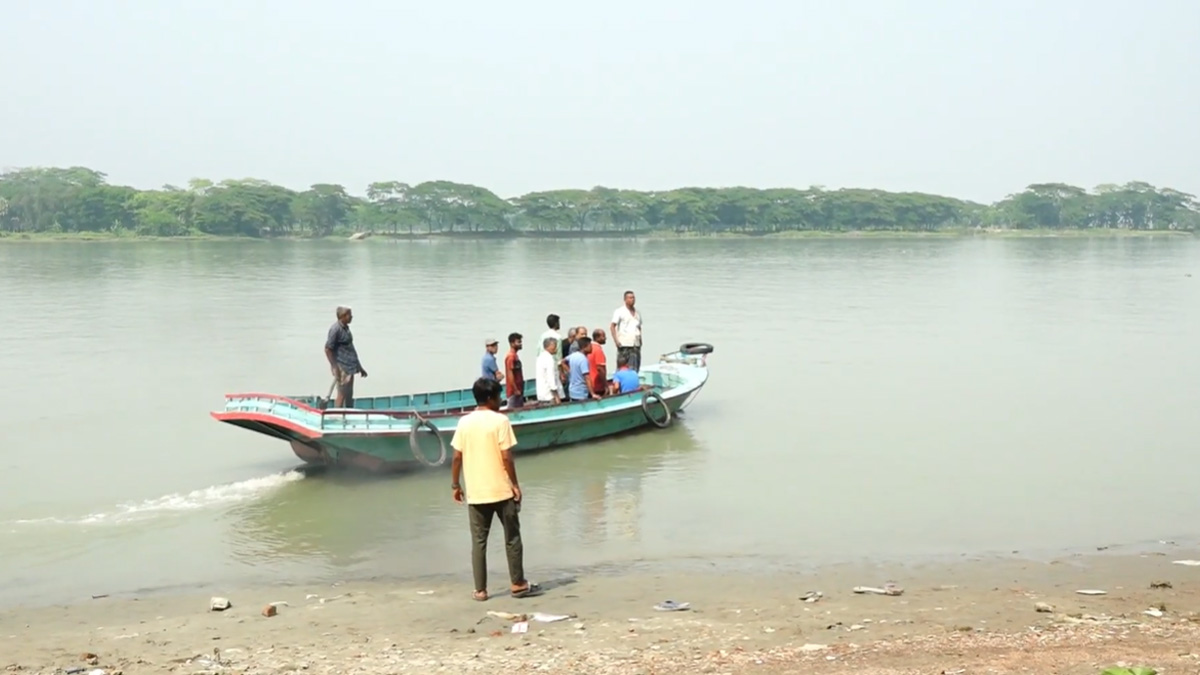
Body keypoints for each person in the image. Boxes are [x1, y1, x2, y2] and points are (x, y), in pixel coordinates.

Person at [449, 378, 541, 601]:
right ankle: (517, 583)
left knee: (479, 542)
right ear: (490, 398)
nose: (500, 400)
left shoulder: (464, 422)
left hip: (477, 492)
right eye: (499, 396)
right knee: (512, 537)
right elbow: (506, 457)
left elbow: (456, 457)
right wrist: (515, 484)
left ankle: (480, 590)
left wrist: (455, 484)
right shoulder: (500, 421)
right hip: (501, 489)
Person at [324, 306, 368, 407]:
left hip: (350, 367)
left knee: (349, 394)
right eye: (349, 315)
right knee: (342, 393)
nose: (351, 317)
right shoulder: (335, 329)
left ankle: (348, 414)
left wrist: (359, 367)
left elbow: (350, 349)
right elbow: (328, 349)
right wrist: (335, 367)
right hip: (342, 367)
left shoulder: (346, 328)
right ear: (343, 316)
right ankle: (338, 415)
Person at [610, 290, 643, 372]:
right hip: (624, 343)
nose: (633, 299)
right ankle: (620, 382)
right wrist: (616, 341)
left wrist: (641, 340)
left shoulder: (637, 313)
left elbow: (639, 327)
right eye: (630, 298)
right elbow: (612, 326)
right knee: (622, 366)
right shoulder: (620, 311)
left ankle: (633, 382)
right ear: (625, 299)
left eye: (633, 298)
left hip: (635, 344)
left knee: (635, 367)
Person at [566, 336, 601, 402]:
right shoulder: (583, 360)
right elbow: (587, 377)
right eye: (590, 346)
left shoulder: (574, 355)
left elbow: (562, 362)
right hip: (581, 392)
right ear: (585, 347)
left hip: (572, 391)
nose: (591, 348)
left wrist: (569, 371)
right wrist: (593, 394)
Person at [535, 336, 563, 405]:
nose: (556, 348)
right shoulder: (549, 359)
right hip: (549, 396)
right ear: (551, 346)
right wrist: (556, 396)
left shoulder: (540, 357)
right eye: (555, 346)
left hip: (541, 395)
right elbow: (551, 377)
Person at [504, 332, 525, 409]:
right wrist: (515, 389)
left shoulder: (515, 356)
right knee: (513, 410)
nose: (520, 344)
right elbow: (510, 374)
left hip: (519, 389)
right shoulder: (511, 357)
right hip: (514, 392)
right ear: (512, 343)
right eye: (518, 342)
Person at [588, 328, 608, 397]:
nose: (605, 338)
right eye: (603, 336)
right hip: (597, 385)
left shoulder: (589, 348)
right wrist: (605, 385)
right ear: (597, 338)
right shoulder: (598, 350)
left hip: (589, 384)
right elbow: (600, 369)